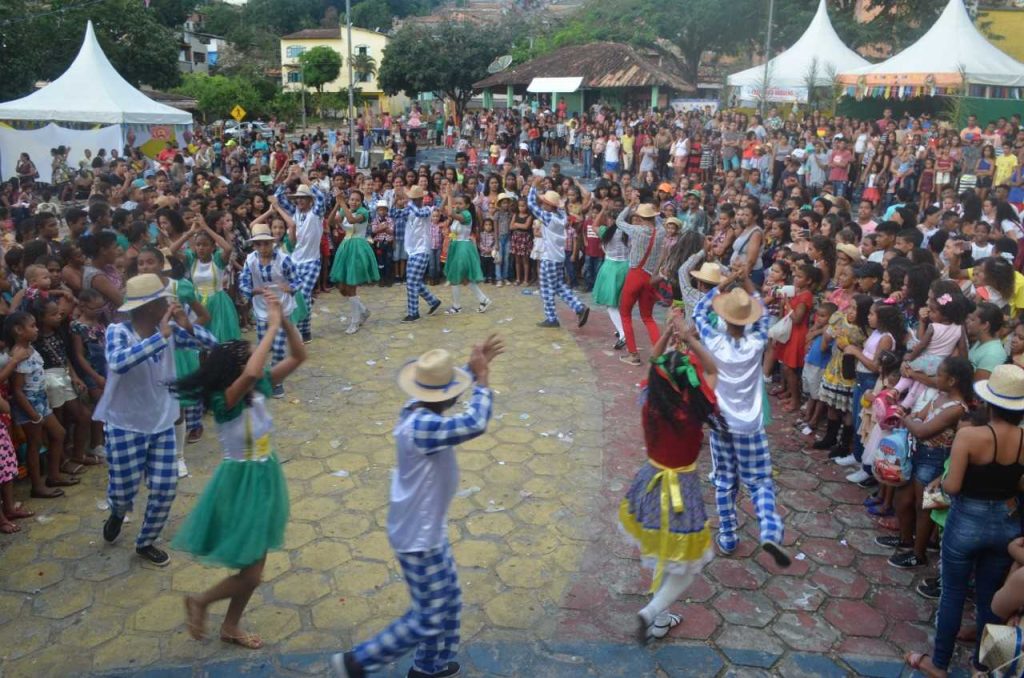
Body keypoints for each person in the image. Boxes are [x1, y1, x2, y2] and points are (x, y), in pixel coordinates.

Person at [331, 334, 505, 678]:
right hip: (417, 537)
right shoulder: (424, 427)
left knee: (450, 599)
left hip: (427, 528)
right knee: (428, 616)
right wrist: (481, 381)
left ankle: (430, 667)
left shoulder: (414, 409)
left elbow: (444, 398)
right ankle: (355, 663)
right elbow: (474, 423)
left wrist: (469, 371)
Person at [176, 291, 306, 650]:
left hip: (264, 475)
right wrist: (272, 326)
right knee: (252, 573)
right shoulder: (224, 400)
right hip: (241, 482)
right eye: (252, 356)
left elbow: (298, 355)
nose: (259, 362)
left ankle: (230, 626)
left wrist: (287, 320)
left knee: (254, 569)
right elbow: (251, 370)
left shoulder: (257, 387)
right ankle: (201, 601)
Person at [906, 364, 1024, 678]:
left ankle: (939, 663)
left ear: (989, 402)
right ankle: (983, 666)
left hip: (967, 520)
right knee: (993, 598)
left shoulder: (971, 436)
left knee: (953, 593)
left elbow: (953, 486)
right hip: (1006, 523)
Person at [95, 274, 218, 566]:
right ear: (149, 307)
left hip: (162, 421)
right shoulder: (117, 332)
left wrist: (188, 327)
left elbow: (213, 345)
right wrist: (159, 338)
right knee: (124, 488)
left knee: (165, 487)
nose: (169, 304)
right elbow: (117, 363)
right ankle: (117, 509)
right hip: (125, 424)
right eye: (163, 301)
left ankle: (146, 541)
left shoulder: (171, 330)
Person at [620, 310, 722, 643]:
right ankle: (652, 611)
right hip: (681, 490)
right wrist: (689, 337)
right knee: (688, 563)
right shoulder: (692, 410)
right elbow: (711, 368)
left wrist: (667, 334)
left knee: (665, 551)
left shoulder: (650, 401)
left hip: (649, 483)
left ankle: (660, 617)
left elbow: (653, 361)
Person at [693, 275, 790, 567]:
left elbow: (698, 313)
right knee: (760, 481)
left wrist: (722, 286)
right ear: (747, 319)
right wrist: (746, 281)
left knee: (724, 481)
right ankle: (770, 530)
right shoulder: (757, 341)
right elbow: (762, 308)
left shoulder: (714, 341)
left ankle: (728, 536)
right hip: (750, 426)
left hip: (720, 422)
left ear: (724, 317)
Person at [525, 177, 590, 329]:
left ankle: (553, 317)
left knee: (547, 289)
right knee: (559, 286)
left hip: (549, 259)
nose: (542, 204)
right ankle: (578, 308)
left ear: (549, 205)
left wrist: (533, 187)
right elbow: (560, 207)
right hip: (558, 258)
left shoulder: (549, 217)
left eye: (544, 203)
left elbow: (530, 204)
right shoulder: (561, 216)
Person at [274, 180, 327, 343]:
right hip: (295, 262)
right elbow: (278, 197)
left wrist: (304, 178)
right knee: (297, 297)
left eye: (303, 198)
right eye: (298, 198)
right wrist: (289, 178)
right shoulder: (294, 212)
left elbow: (322, 198)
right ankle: (304, 331)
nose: (300, 201)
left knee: (303, 296)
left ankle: (301, 330)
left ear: (310, 200)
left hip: (311, 262)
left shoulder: (316, 213)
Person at [615, 202, 666, 366]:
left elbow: (619, 221)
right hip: (650, 278)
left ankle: (633, 354)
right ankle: (660, 355)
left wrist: (628, 206)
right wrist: (654, 215)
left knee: (625, 313)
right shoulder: (662, 232)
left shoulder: (636, 230)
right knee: (648, 317)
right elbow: (657, 222)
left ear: (640, 217)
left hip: (635, 275)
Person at [328, 188, 379, 334]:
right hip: (345, 247)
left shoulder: (363, 212)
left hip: (357, 249)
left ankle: (355, 322)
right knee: (342, 288)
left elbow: (351, 220)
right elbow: (331, 222)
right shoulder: (345, 209)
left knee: (351, 287)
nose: (354, 202)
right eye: (352, 199)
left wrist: (343, 203)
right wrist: (338, 204)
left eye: (357, 200)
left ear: (361, 201)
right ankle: (363, 310)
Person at [392, 185, 443, 322]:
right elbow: (394, 214)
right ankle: (433, 301)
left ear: (420, 199)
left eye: (413, 199)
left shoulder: (427, 210)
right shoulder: (410, 210)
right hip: (412, 251)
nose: (412, 201)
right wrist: (395, 200)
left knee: (411, 282)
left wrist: (408, 203)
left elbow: (420, 214)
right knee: (414, 281)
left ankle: (413, 313)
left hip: (422, 250)